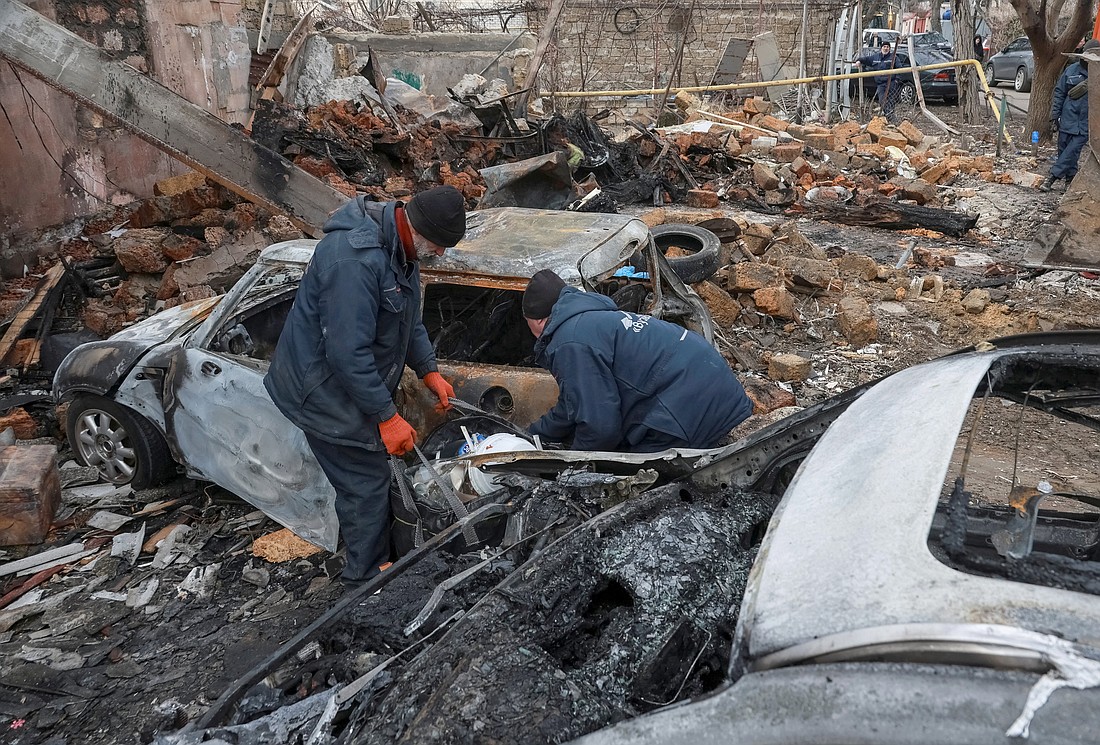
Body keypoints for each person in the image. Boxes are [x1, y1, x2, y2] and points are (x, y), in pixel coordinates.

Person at [264, 186, 466, 584]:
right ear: (418, 228)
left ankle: (380, 557)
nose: (440, 255)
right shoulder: (354, 261)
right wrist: (386, 416)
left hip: (348, 380)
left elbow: (409, 319)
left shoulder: (403, 250)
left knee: (376, 472)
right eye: (440, 246)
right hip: (320, 389)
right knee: (365, 483)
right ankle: (366, 579)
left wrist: (429, 370)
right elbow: (346, 353)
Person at [521, 269, 753, 453]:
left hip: (687, 412)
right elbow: (575, 404)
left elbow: (600, 428)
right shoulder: (594, 319)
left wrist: (571, 468)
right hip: (719, 387)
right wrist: (532, 435)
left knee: (625, 489)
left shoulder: (569, 343)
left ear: (538, 321)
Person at [1041, 38, 1097, 192]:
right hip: (1067, 118)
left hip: (1086, 123)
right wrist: (1054, 116)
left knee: (1072, 151)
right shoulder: (1071, 70)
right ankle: (1070, 180)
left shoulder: (1098, 74)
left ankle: (1051, 178)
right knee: (1064, 151)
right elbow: (1060, 93)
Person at [857, 41, 898, 123]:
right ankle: (888, 116)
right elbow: (866, 59)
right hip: (881, 84)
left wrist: (897, 80)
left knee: (891, 101)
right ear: (881, 48)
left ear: (889, 48)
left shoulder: (893, 58)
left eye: (887, 47)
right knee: (882, 100)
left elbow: (899, 69)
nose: (886, 48)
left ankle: (890, 117)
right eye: (884, 46)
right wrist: (859, 60)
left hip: (891, 83)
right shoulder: (875, 57)